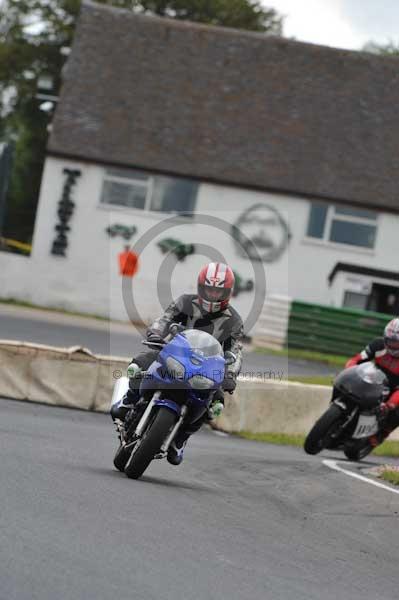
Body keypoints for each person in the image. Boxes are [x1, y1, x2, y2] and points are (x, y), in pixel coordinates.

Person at [111, 262, 244, 465]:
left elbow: (236, 350)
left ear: (227, 292)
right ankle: (129, 399)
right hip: (173, 354)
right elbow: (165, 319)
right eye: (209, 288)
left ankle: (180, 439)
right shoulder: (185, 302)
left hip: (204, 369)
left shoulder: (234, 320)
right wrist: (156, 332)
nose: (212, 294)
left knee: (215, 402)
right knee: (139, 364)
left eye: (218, 290)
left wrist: (230, 374)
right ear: (201, 287)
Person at [344, 317, 399, 448]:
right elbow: (357, 359)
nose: (392, 345)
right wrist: (347, 372)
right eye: (390, 341)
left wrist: (390, 404)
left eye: (396, 343)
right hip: (373, 380)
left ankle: (383, 433)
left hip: (394, 390)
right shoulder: (378, 344)